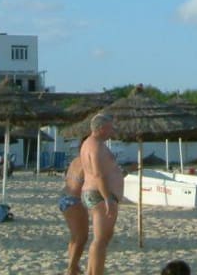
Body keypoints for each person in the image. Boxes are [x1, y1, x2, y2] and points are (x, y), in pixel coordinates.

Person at [81, 113, 123, 275]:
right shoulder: (95, 146)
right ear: (101, 128)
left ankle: (91, 271)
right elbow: (98, 174)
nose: (112, 131)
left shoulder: (91, 144)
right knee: (100, 240)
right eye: (110, 128)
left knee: (102, 239)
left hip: (96, 193)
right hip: (99, 194)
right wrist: (107, 199)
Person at [60, 152, 88, 275]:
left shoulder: (75, 160)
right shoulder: (88, 162)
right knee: (81, 238)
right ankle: (71, 269)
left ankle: (74, 266)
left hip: (64, 198)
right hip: (74, 200)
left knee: (75, 237)